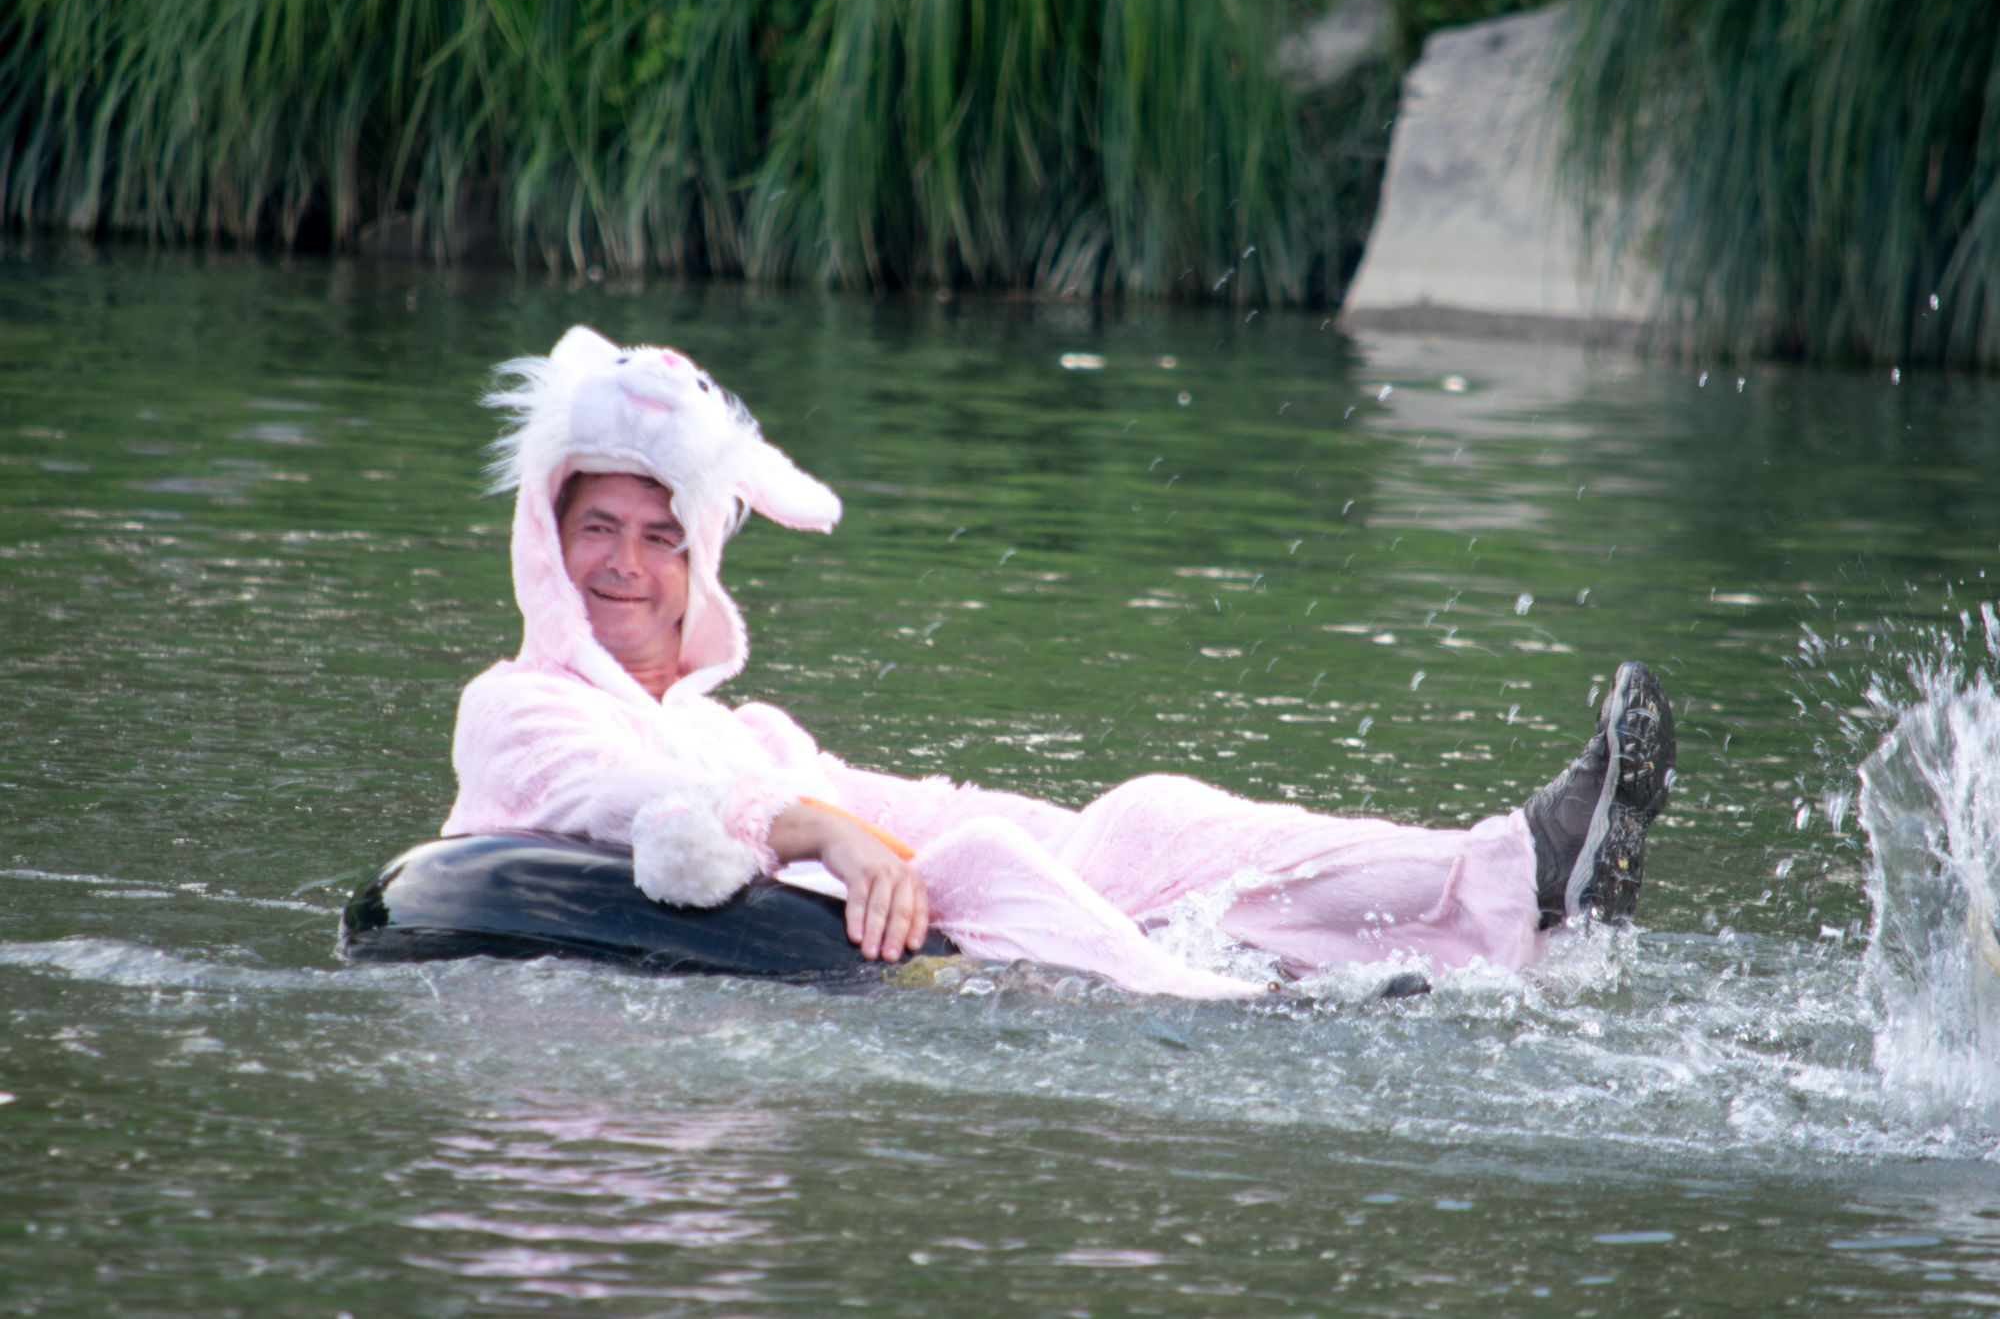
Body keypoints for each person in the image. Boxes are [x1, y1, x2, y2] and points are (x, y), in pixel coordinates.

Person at [443, 326, 1675, 998]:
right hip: (710, 950)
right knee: (983, 863)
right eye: (596, 528)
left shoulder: (744, 732)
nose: (625, 563)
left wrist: (1080, 838)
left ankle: (1515, 869)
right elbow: (618, 796)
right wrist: (815, 830)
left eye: (659, 536)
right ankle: (1256, 1012)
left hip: (840, 895)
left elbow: (915, 810)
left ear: (697, 561)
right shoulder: (515, 704)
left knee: (1145, 817)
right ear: (549, 541)